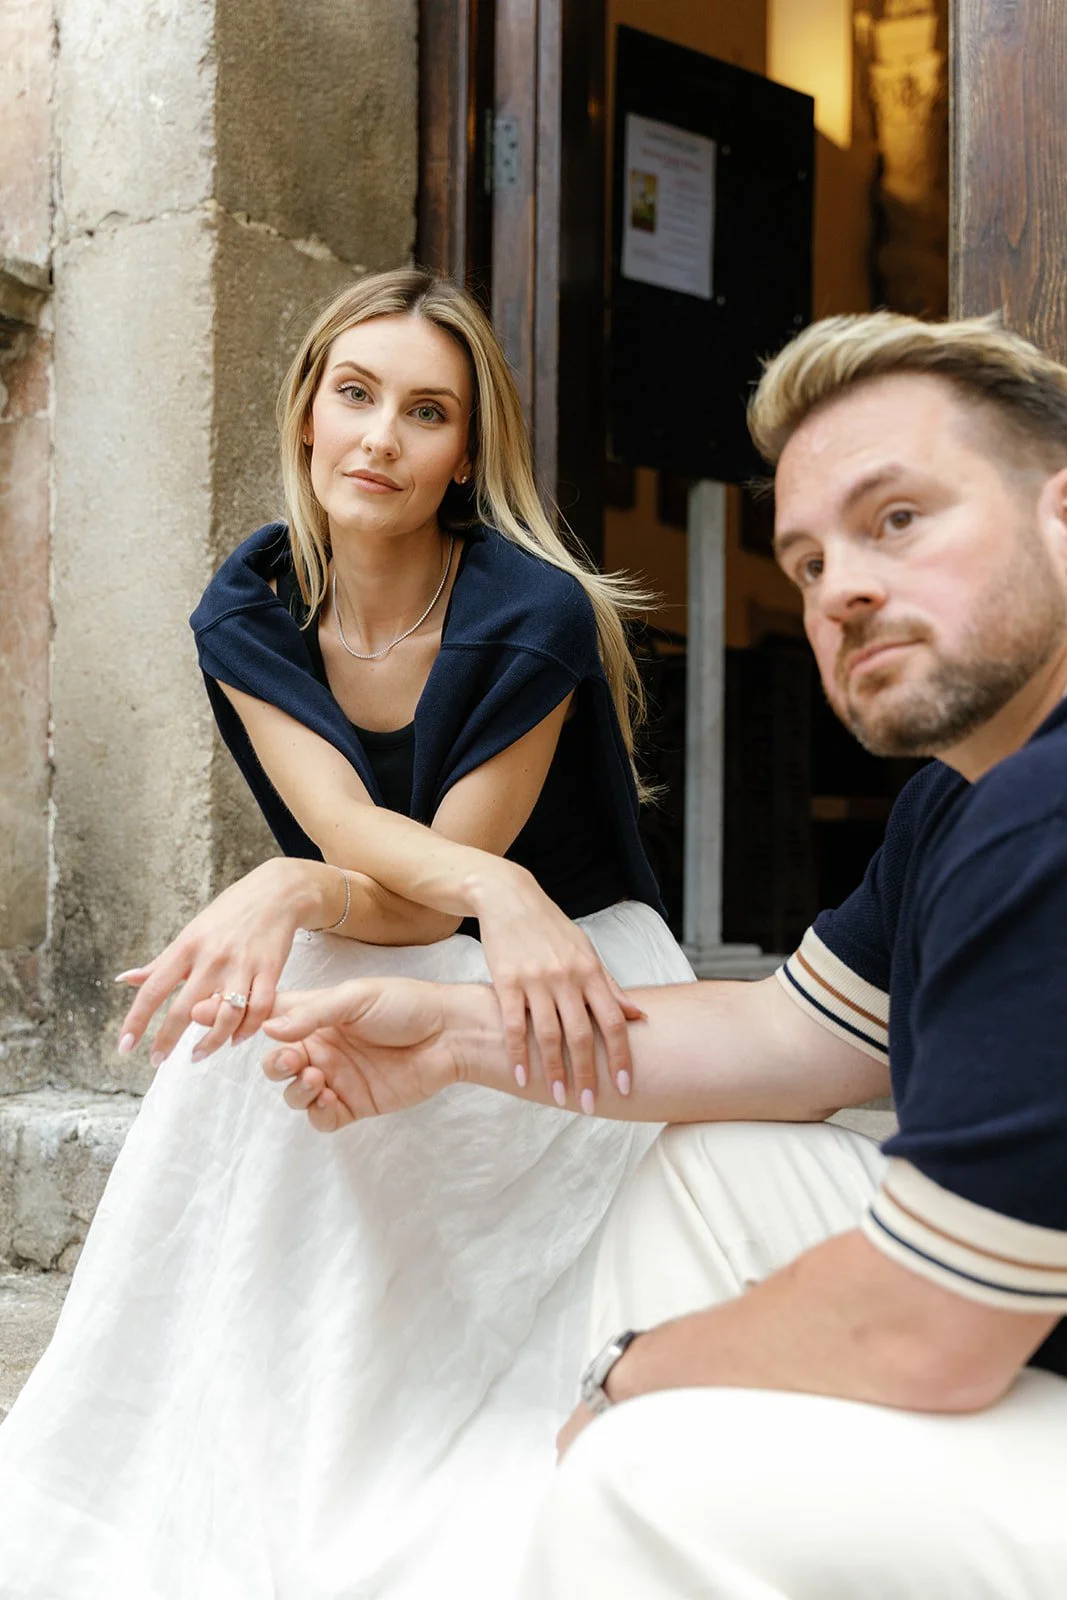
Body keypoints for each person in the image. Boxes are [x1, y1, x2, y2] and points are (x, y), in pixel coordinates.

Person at [260, 312, 1067, 1598]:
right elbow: (783, 1043)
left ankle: (638, 1519)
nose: (840, 588)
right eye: (807, 562)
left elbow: (933, 1328)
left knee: (650, 1467)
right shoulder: (963, 794)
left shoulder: (1045, 810)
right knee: (710, 1169)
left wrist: (634, 1374)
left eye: (897, 518)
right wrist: (456, 1043)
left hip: (987, 1328)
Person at [0, 270, 693, 1599]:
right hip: (437, 913)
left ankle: (385, 1440)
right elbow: (347, 841)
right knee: (252, 1014)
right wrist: (289, 890)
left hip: (560, 951)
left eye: (424, 412)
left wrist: (316, 888)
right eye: (356, 394)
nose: (380, 436)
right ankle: (220, 1433)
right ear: (306, 412)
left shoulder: (531, 610)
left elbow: (443, 881)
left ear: (463, 453)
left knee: (302, 966)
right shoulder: (250, 608)